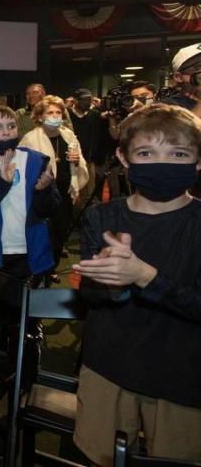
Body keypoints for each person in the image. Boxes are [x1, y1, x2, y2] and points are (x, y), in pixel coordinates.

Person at [72, 105, 201, 465]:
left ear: (198, 161)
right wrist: (114, 285)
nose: (163, 163)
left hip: (182, 378)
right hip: (107, 367)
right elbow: (89, 295)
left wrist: (146, 277)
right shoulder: (102, 216)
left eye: (178, 154)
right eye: (146, 153)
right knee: (99, 457)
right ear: (124, 158)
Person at [0, 105, 58, 283]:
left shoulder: (36, 161)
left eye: (11, 126)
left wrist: (42, 191)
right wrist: (1, 184)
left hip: (31, 251)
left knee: (28, 308)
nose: (6, 132)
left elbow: (51, 209)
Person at [19, 95, 87, 281]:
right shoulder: (31, 138)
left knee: (61, 231)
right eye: (50, 112)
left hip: (64, 191)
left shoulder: (68, 134)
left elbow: (79, 157)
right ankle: (39, 269)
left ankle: (52, 266)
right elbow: (21, 168)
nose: (55, 115)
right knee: (44, 232)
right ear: (40, 116)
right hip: (41, 194)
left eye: (58, 112)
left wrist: (77, 160)